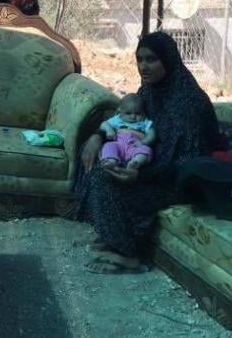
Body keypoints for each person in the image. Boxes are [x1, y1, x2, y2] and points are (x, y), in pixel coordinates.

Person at [75, 31, 223, 274]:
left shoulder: (188, 102)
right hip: (151, 166)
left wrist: (141, 176)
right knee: (96, 158)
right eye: (140, 59)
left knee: (107, 181)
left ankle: (129, 255)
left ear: (168, 59)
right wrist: (97, 136)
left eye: (151, 59)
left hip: (182, 181)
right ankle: (112, 236)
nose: (144, 66)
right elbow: (125, 121)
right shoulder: (149, 91)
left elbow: (187, 164)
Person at [98, 93, 156, 171]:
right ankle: (111, 161)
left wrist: (144, 142)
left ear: (143, 112)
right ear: (120, 111)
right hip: (119, 144)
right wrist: (109, 130)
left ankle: (135, 162)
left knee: (146, 150)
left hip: (135, 146)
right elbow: (103, 124)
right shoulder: (118, 119)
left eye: (138, 113)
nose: (133, 117)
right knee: (108, 146)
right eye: (128, 113)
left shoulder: (144, 122)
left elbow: (151, 133)